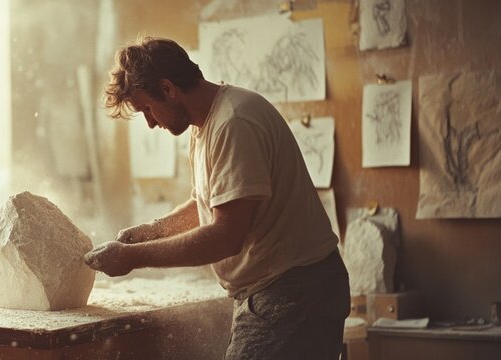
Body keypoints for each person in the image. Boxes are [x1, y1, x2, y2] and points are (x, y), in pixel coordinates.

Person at [84, 37, 350, 359]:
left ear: (168, 89)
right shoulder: (205, 123)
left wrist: (132, 258)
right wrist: (147, 232)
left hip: (296, 291)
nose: (151, 123)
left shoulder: (234, 123)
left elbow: (225, 237)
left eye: (147, 110)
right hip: (279, 286)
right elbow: (207, 208)